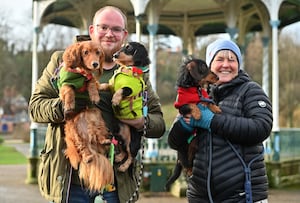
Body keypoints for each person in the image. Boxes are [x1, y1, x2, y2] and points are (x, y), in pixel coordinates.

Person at [28, 6, 165, 203]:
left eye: (116, 29)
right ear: (92, 30)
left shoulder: (134, 73)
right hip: (70, 182)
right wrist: (67, 106)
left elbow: (158, 122)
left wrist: (140, 122)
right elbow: (35, 108)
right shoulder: (63, 61)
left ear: (124, 35)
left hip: (114, 185)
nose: (109, 34)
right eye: (103, 27)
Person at [168, 38, 273, 203]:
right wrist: (184, 125)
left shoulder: (251, 90)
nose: (226, 64)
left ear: (238, 64)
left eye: (232, 60)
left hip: (243, 195)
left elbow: (261, 128)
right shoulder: (197, 96)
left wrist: (212, 121)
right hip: (201, 196)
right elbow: (174, 142)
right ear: (209, 66)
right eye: (220, 59)